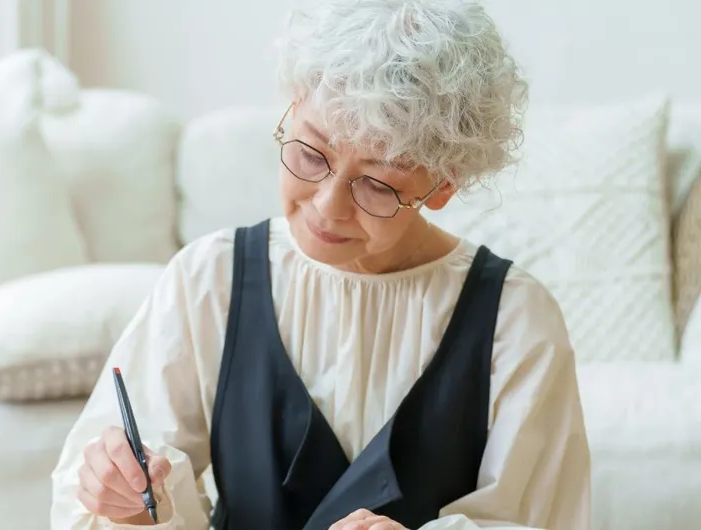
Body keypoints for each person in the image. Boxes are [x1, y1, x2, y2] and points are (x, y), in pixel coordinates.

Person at [51, 0, 591, 528]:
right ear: (292, 108)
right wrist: (124, 501)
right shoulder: (209, 280)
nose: (327, 205)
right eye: (312, 155)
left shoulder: (515, 321)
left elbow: (544, 516)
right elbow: (111, 485)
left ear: (444, 183)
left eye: (378, 183)